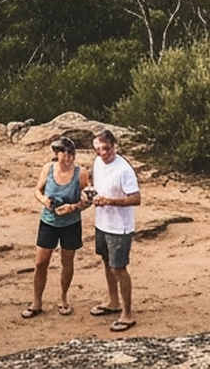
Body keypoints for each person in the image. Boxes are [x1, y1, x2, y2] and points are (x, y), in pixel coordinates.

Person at [23, 136, 89, 317]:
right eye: (64, 153)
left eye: (71, 154)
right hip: (49, 222)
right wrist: (44, 200)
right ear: (57, 154)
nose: (68, 157)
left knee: (67, 262)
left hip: (71, 223)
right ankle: (36, 301)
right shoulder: (48, 169)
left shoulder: (81, 174)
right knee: (40, 262)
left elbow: (87, 199)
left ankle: (63, 298)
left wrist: (73, 207)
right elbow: (38, 189)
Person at [88, 129, 140, 331]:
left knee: (119, 268)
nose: (102, 153)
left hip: (120, 227)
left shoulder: (124, 170)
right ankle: (113, 302)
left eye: (106, 149)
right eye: (98, 149)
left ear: (114, 146)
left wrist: (110, 201)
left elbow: (136, 198)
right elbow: (96, 183)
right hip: (102, 222)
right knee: (107, 263)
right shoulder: (98, 163)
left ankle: (127, 314)